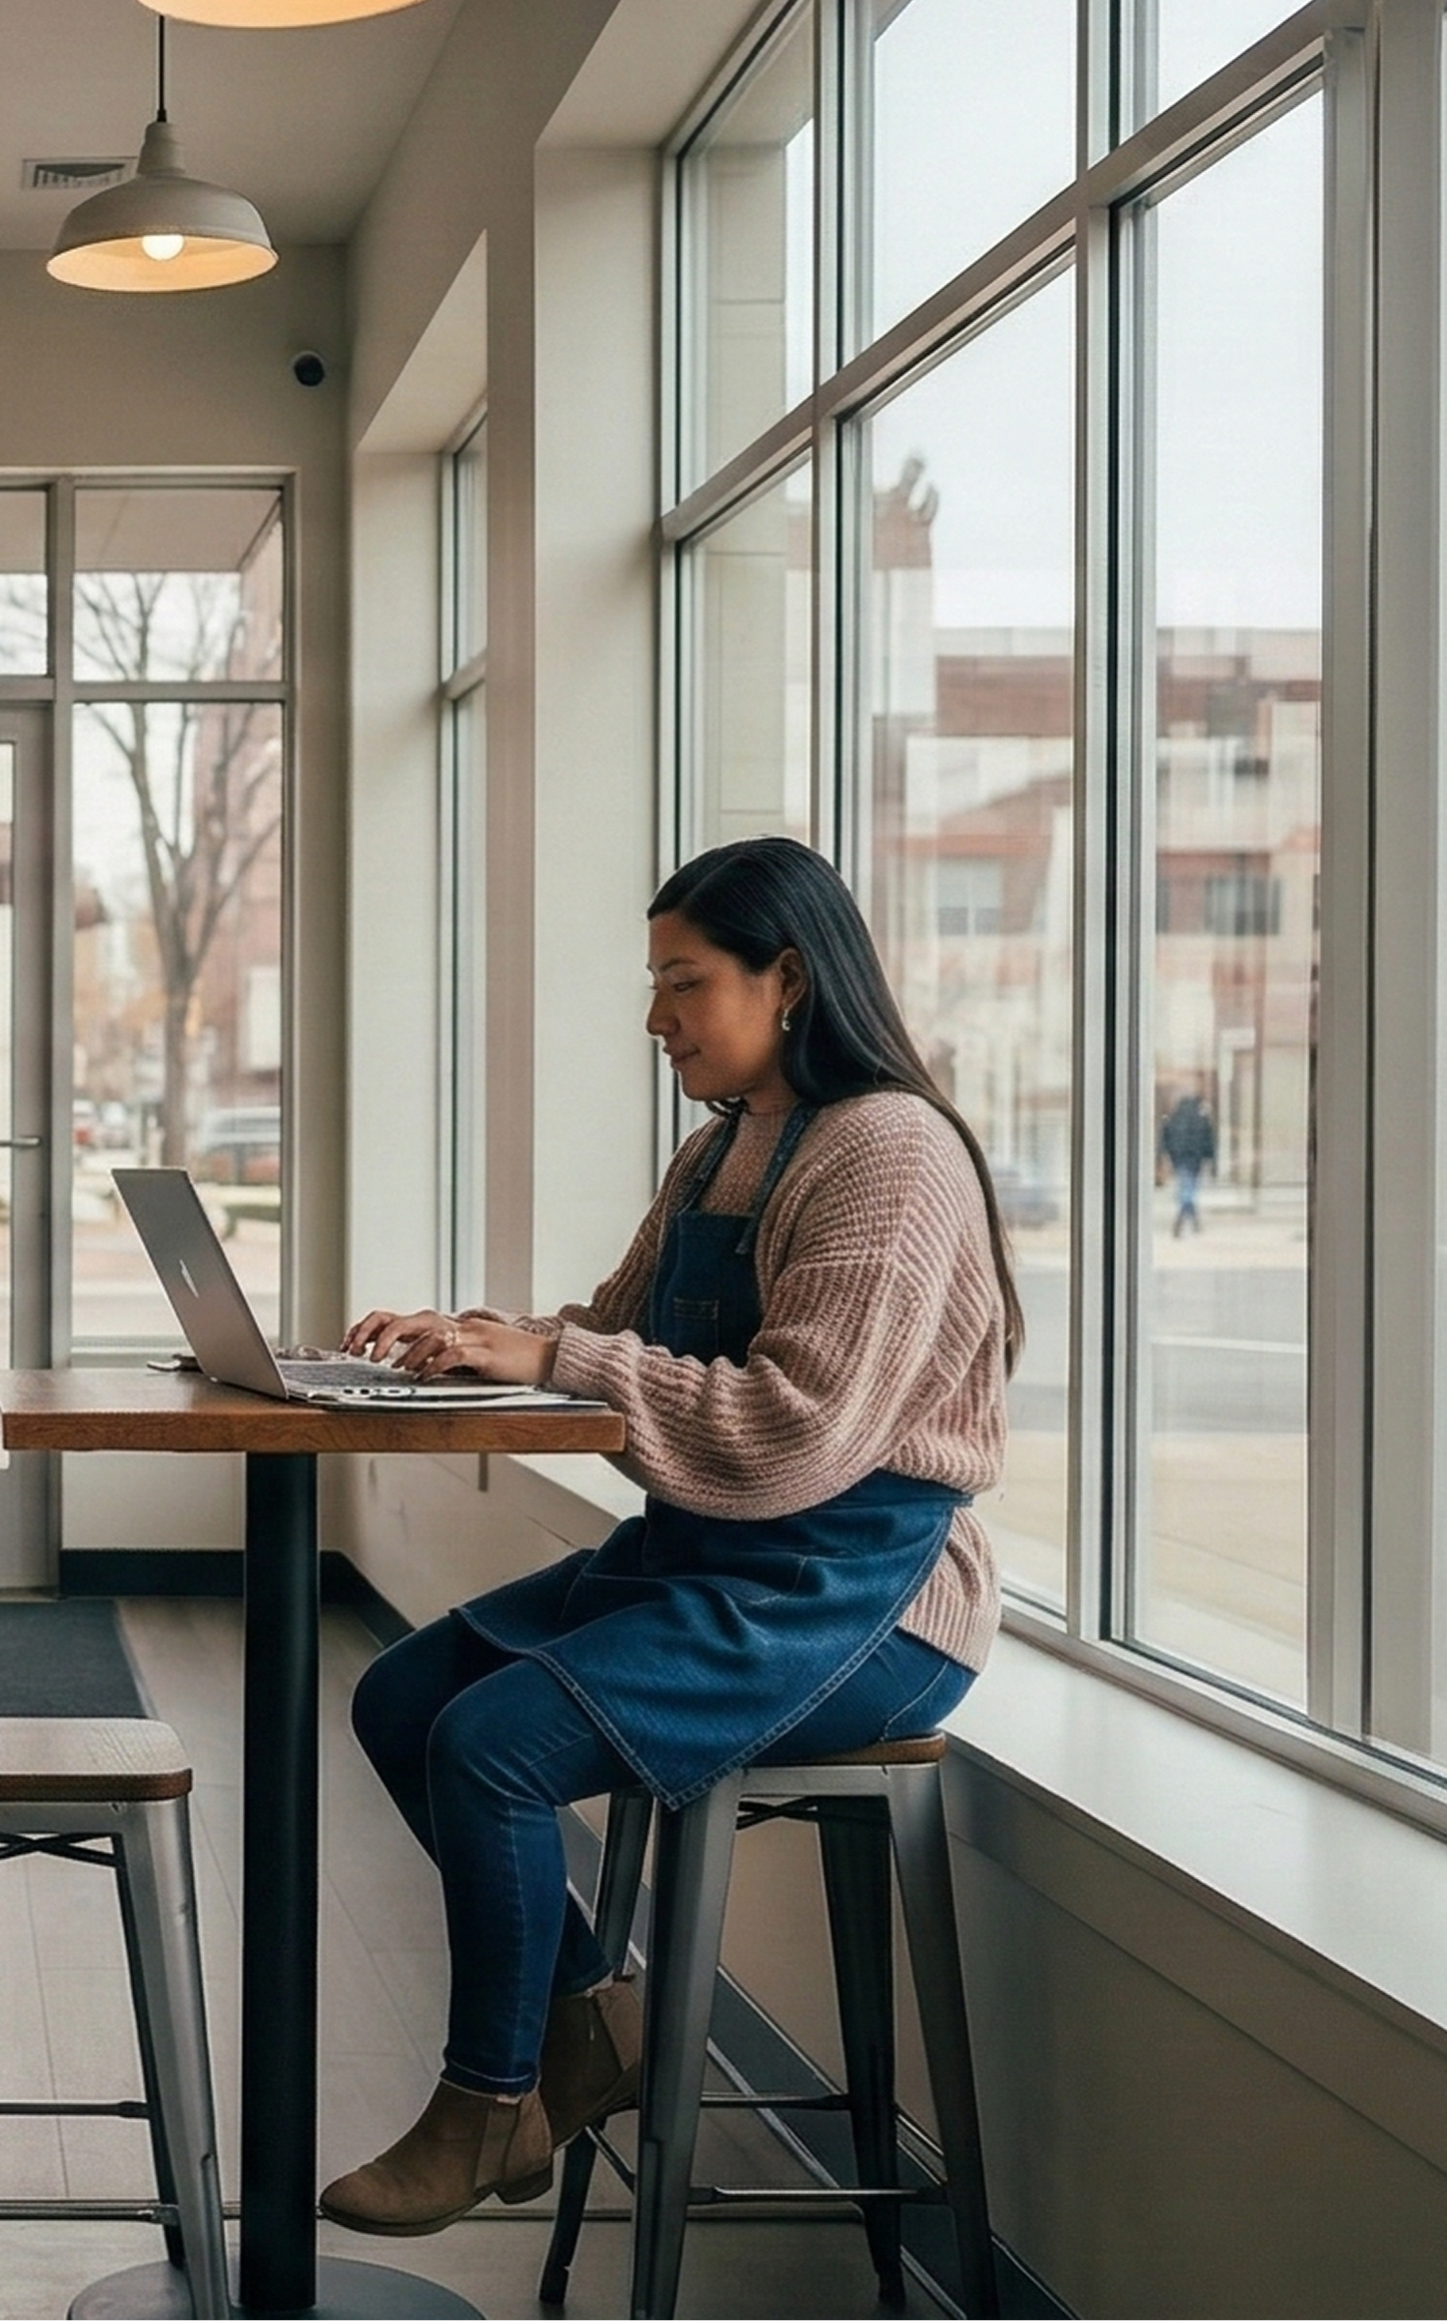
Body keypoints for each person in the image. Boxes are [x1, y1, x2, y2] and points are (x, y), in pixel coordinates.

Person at [315, 836, 1019, 2237]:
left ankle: (488, 2097)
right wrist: (477, 1342)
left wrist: (556, 1360)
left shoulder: (889, 1151)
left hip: (863, 1595)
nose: (657, 1019)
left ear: (792, 979)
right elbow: (620, 1332)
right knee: (405, 1695)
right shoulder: (725, 1145)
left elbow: (798, 1428)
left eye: (683, 982)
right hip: (719, 1555)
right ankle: (594, 2023)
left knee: (493, 1741)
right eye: (656, 983)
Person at [1160, 1089, 1217, 1237]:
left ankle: (1186, 1215)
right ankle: (1187, 1215)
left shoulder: (1173, 1118)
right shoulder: (1201, 1119)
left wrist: (1165, 1157)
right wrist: (1211, 1161)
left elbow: (1165, 1139)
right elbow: (1209, 1142)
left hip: (1179, 1159)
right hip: (1195, 1159)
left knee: (1185, 1185)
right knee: (1190, 1186)